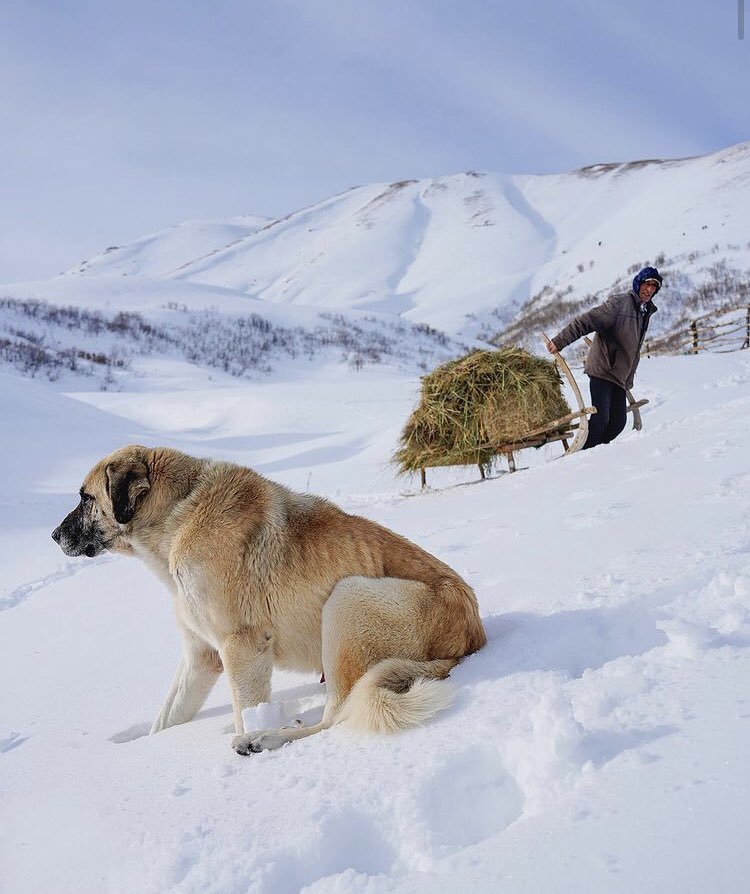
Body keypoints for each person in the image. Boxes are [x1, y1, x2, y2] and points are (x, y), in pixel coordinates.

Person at [547, 266, 662, 449]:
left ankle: (595, 454)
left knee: (617, 423)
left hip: (618, 376)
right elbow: (587, 320)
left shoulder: (644, 312)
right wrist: (560, 341)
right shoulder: (620, 303)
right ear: (638, 284)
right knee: (601, 420)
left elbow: (633, 349)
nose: (649, 290)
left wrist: (628, 379)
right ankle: (580, 455)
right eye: (646, 285)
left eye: (654, 287)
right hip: (603, 368)